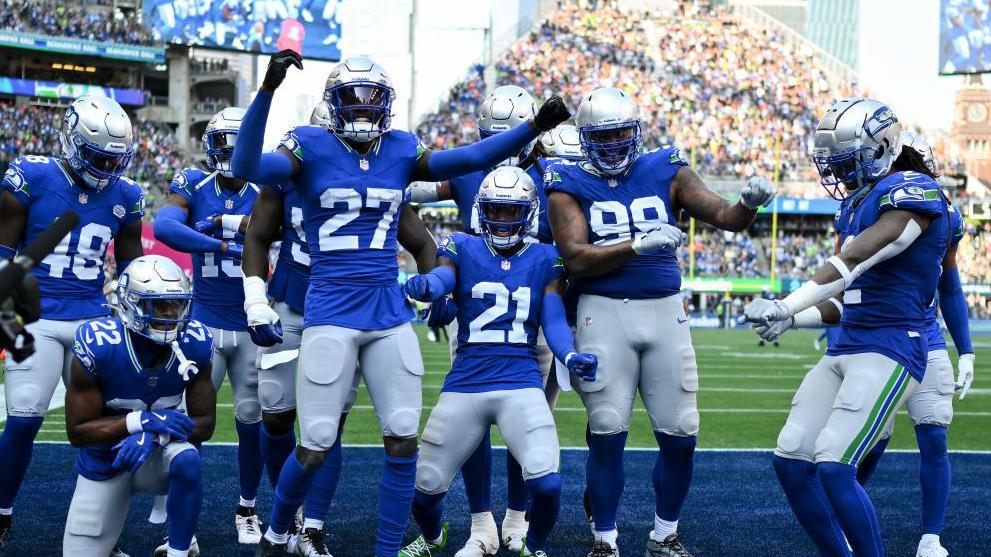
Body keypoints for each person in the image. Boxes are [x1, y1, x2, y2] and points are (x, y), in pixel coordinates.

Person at [232, 51, 569, 557]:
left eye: (373, 100)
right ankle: (278, 532)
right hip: (330, 308)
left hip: (388, 311)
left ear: (387, 105)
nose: (364, 109)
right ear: (334, 103)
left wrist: (531, 129)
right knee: (316, 440)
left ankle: (386, 551)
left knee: (403, 436)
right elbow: (245, 165)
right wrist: (266, 91)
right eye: (353, 99)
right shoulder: (309, 145)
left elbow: (471, 158)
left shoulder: (399, 148)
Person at [545, 86, 774, 557]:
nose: (611, 146)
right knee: (607, 430)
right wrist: (637, 245)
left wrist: (749, 203)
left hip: (665, 311)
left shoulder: (666, 166)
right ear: (585, 139)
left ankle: (664, 533)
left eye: (620, 134)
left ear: (637, 131)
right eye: (601, 138)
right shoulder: (565, 180)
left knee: (681, 432)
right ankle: (604, 541)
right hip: (602, 312)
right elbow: (575, 258)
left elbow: (725, 217)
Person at [744, 98, 950, 557]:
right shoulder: (856, 205)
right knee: (792, 459)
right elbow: (844, 299)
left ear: (881, 147)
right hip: (847, 345)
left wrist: (785, 302)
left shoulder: (913, 190)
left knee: (836, 466)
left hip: (892, 345)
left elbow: (854, 261)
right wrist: (793, 319)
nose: (838, 172)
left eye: (846, 161)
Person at [398, 166, 597, 557]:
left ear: (529, 213)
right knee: (422, 494)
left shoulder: (546, 258)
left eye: (511, 211)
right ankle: (435, 536)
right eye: (496, 209)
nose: (503, 219)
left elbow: (554, 318)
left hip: (521, 381)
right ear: (481, 210)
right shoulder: (461, 245)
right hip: (466, 382)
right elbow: (444, 277)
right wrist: (429, 288)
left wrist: (569, 353)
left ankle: (533, 546)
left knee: (548, 485)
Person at [407, 85, 562, 556]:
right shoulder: (469, 170)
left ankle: (518, 517)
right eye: (498, 136)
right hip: (474, 299)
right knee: (471, 413)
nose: (506, 145)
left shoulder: (553, 174)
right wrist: (432, 279)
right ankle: (480, 524)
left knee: (527, 418)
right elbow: (404, 190)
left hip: (531, 300)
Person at [0, 94, 145, 552]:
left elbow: (131, 267)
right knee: (23, 418)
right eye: (97, 155)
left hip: (92, 319)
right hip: (32, 316)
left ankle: (102, 529)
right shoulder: (33, 176)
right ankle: (1, 516)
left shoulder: (127, 196)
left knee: (106, 426)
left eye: (112, 158)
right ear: (71, 141)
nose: (105, 167)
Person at [243, 101, 361, 557]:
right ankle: (286, 510)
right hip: (292, 299)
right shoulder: (285, 178)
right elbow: (256, 235)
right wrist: (256, 300)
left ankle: (313, 526)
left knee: (327, 426)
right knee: (275, 415)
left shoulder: (368, 177)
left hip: (345, 309)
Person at [154, 106, 266, 544]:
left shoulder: (266, 187)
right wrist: (218, 243)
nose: (234, 154)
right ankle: (185, 528)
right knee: (192, 425)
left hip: (253, 322)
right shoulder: (193, 183)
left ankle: (248, 508)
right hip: (204, 322)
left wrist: (222, 227)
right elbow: (165, 226)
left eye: (242, 146)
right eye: (227, 145)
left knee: (250, 420)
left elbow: (275, 233)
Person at [62, 255, 215, 557]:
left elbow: (205, 424)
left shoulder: (194, 342)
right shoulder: (99, 343)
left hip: (161, 455)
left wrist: (155, 434)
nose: (172, 314)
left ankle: (179, 550)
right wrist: (140, 422)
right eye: (159, 305)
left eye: (177, 304)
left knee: (188, 459)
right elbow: (77, 432)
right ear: (130, 303)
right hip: (106, 459)